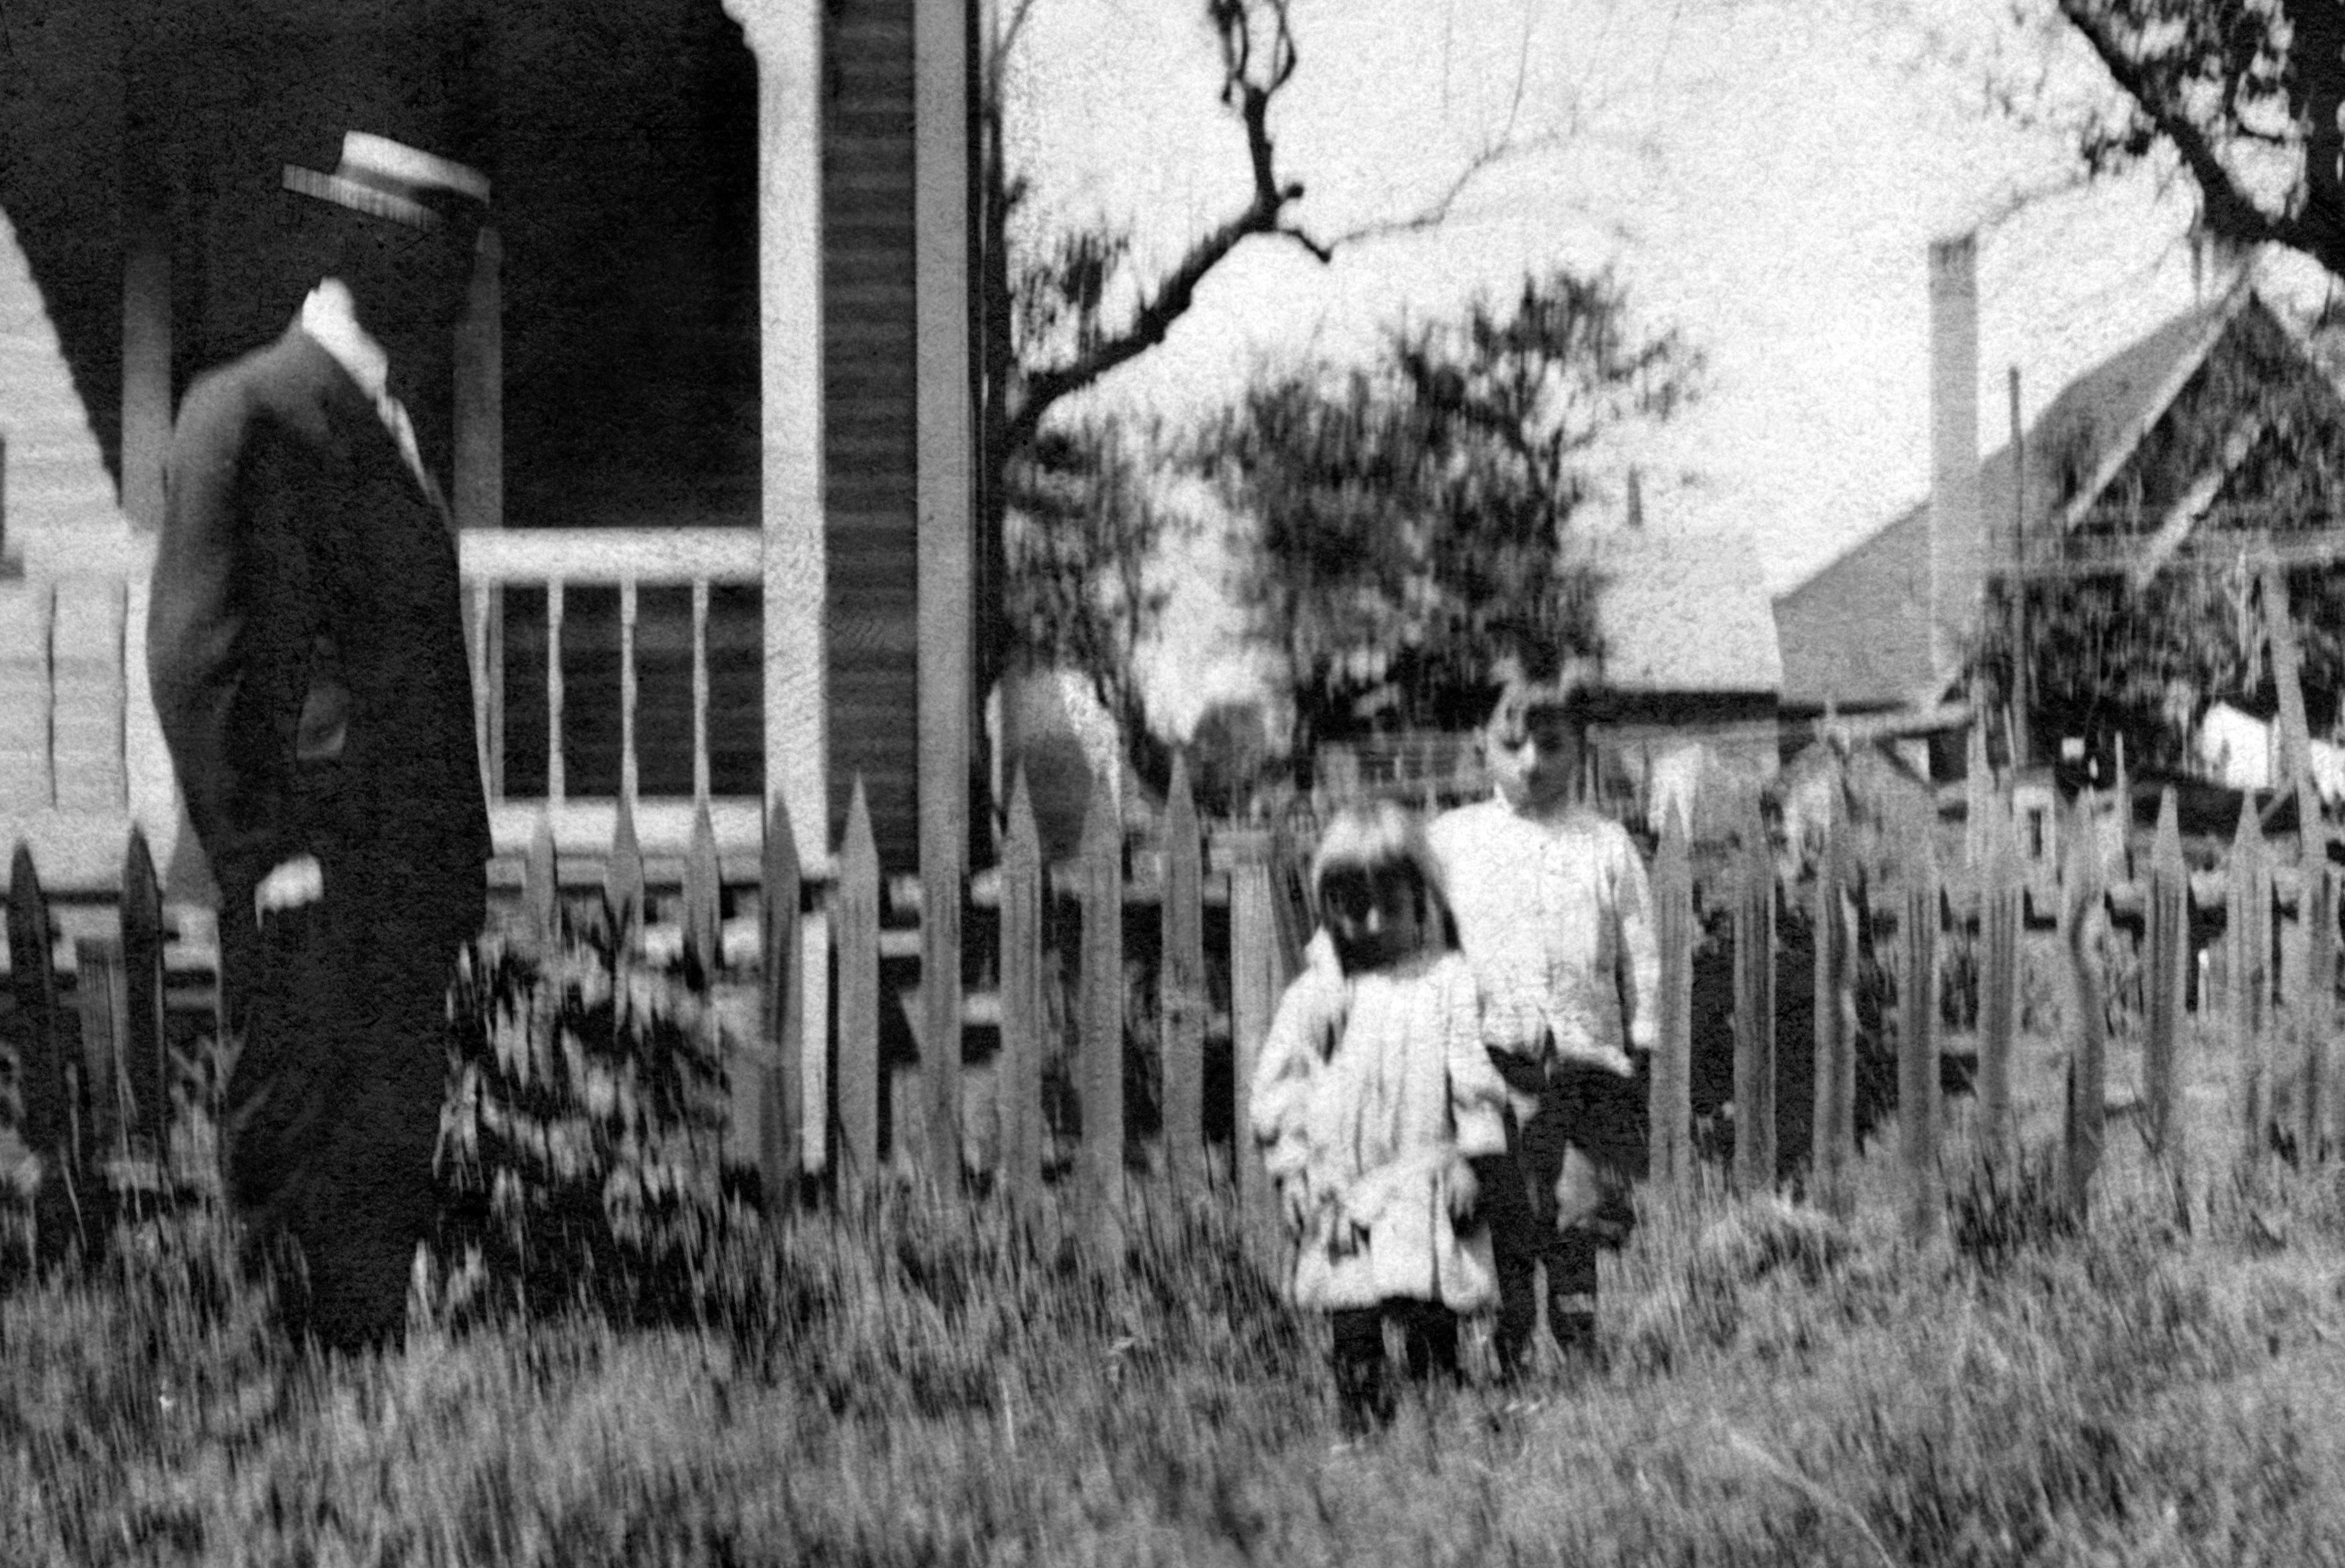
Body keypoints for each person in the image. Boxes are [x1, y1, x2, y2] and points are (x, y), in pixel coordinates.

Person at [147, 129, 494, 1357]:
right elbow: (198, 657)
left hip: (396, 862)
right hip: (307, 863)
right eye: (448, 261)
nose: (463, 292)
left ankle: (362, 1399)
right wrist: (266, 850)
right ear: (378, 256)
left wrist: (450, 856)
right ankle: (274, 1406)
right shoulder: (247, 408)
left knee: (385, 1138)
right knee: (294, 1129)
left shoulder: (387, 417)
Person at [1249, 801, 1513, 1433]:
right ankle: (1362, 1425)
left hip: (1422, 1176)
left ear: (1420, 898)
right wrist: (1294, 1171)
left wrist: (1473, 1160)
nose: (1369, 925)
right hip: (1342, 1187)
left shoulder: (1447, 983)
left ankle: (1435, 1421)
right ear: (1327, 906)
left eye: (1387, 907)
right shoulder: (1318, 995)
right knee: (1352, 1313)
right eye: (1351, 908)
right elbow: (1281, 1089)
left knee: (1428, 1306)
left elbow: (1474, 1079)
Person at [1427, 674, 1658, 1382]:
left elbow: (1641, 952)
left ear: (1579, 748)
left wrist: (1643, 1037)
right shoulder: (1454, 842)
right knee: (1507, 1211)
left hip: (1586, 1067)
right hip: (1493, 1065)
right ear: (1481, 746)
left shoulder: (1604, 844)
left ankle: (1580, 1345)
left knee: (1577, 1212)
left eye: (1551, 746)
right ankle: (1511, 1347)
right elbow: (1431, 954)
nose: (1531, 762)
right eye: (1512, 745)